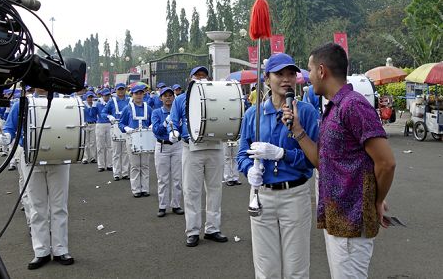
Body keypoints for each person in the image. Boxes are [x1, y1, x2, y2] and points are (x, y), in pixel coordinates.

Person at [282, 43, 396, 279]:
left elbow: (386, 162)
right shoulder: (333, 108)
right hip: (338, 222)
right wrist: (298, 130)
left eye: (310, 70)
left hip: (353, 223)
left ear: (322, 71)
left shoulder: (353, 105)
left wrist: (377, 200)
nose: (307, 77)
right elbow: (323, 163)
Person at [237, 53, 319, 278]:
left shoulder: (307, 113)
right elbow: (242, 154)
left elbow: (314, 160)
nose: (286, 79)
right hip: (262, 195)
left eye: (291, 74)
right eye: (279, 74)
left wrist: (283, 154)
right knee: (266, 269)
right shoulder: (253, 114)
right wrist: (248, 169)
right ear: (266, 78)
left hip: (294, 194)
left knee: (296, 268)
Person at [0, 89, 74, 270]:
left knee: (59, 206)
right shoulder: (22, 103)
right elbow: (10, 126)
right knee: (36, 207)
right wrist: (7, 136)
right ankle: (40, 251)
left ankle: (60, 249)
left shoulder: (64, 102)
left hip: (58, 156)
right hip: (31, 158)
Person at [169, 66, 228, 247]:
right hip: (191, 147)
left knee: (215, 189)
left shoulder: (216, 95)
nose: (201, 78)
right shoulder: (180, 99)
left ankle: (212, 229)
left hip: (215, 146)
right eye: (197, 76)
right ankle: (193, 231)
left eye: (204, 76)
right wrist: (174, 132)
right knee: (191, 190)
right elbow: (173, 120)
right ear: (190, 78)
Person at [151, 87, 184, 217]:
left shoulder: (178, 112)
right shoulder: (157, 112)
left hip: (177, 146)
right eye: (165, 95)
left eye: (170, 95)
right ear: (161, 98)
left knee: (177, 178)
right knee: (163, 178)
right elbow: (156, 131)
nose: (168, 97)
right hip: (162, 146)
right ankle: (162, 205)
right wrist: (165, 123)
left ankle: (176, 204)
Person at [119, 84, 153, 197]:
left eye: (140, 93)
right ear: (132, 95)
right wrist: (126, 128)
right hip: (132, 138)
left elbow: (153, 120)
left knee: (145, 164)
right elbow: (121, 123)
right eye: (136, 93)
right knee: (135, 165)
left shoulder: (148, 108)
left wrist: (152, 125)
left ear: (144, 94)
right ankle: (136, 189)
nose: (139, 95)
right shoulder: (127, 108)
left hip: (145, 137)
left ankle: (145, 188)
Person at [103, 83, 131, 181]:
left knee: (125, 151)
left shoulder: (130, 100)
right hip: (115, 127)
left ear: (125, 90)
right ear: (116, 90)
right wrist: (109, 116)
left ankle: (125, 172)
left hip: (126, 127)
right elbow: (103, 112)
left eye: (122, 89)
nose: (121, 91)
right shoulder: (112, 101)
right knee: (116, 152)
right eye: (119, 89)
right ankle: (116, 173)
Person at [95, 88, 113, 172]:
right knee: (100, 146)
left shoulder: (111, 103)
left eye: (108, 95)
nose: (107, 97)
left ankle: (109, 164)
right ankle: (101, 165)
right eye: (105, 95)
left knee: (110, 146)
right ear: (102, 96)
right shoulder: (98, 104)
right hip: (100, 124)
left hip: (109, 124)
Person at [82, 91, 98, 164]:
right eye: (89, 97)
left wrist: (93, 107)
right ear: (86, 97)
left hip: (93, 124)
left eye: (91, 97)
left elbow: (93, 114)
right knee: (85, 142)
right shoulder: (83, 105)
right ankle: (85, 158)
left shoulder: (95, 105)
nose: (90, 99)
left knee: (93, 142)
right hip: (86, 124)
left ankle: (93, 157)